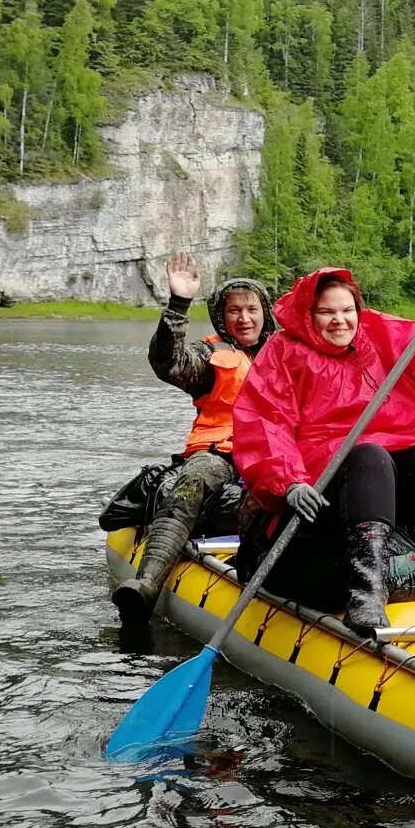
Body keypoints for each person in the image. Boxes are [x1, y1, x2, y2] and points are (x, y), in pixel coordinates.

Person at [231, 267, 415, 632]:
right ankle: (367, 590)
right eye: (327, 312)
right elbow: (265, 422)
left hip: (385, 475)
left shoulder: (382, 335)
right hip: (323, 483)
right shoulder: (284, 351)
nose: (339, 321)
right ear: (310, 314)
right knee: (370, 456)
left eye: (347, 310)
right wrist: (289, 481)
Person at [113, 254, 278, 626]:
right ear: (222, 316)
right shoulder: (209, 355)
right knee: (194, 480)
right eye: (234, 310)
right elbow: (166, 362)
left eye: (252, 309)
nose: (245, 318)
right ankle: (147, 583)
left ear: (265, 312)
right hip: (219, 452)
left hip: (276, 451)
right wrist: (178, 304)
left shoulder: (287, 353)